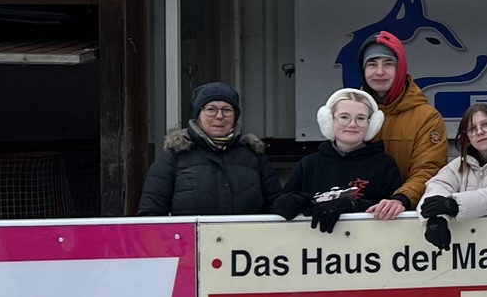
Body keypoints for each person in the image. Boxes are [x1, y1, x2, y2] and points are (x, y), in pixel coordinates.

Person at [138, 80, 282, 214]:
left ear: (235, 116)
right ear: (198, 115)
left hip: (245, 240)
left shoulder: (254, 156)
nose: (219, 116)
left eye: (227, 109)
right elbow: (151, 214)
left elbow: (275, 208)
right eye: (211, 109)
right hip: (191, 241)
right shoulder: (174, 157)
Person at [273, 88, 408, 231]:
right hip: (313, 248)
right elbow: (279, 207)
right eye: (344, 117)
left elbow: (391, 210)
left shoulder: (384, 164)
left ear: (372, 123)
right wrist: (296, 202)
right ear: (329, 120)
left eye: (361, 118)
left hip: (368, 248)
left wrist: (351, 206)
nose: (352, 124)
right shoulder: (308, 164)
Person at [356, 31, 449, 212]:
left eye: (388, 64)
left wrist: (402, 198)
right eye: (372, 64)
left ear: (401, 68)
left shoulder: (426, 117)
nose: (379, 72)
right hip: (357, 216)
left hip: (404, 217)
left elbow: (429, 169)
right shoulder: (353, 111)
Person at [418, 103, 487, 249]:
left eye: (486, 124)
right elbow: (437, 186)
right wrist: (436, 218)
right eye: (472, 129)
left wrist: (453, 205)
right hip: (466, 254)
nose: (480, 132)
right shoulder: (458, 165)